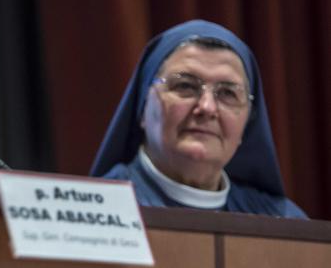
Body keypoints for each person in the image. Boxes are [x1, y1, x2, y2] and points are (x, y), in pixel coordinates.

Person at [90, 20, 306, 218]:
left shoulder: (285, 223)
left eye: (227, 93)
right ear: (142, 106)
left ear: (247, 122)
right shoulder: (94, 212)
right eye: (185, 86)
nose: (207, 107)